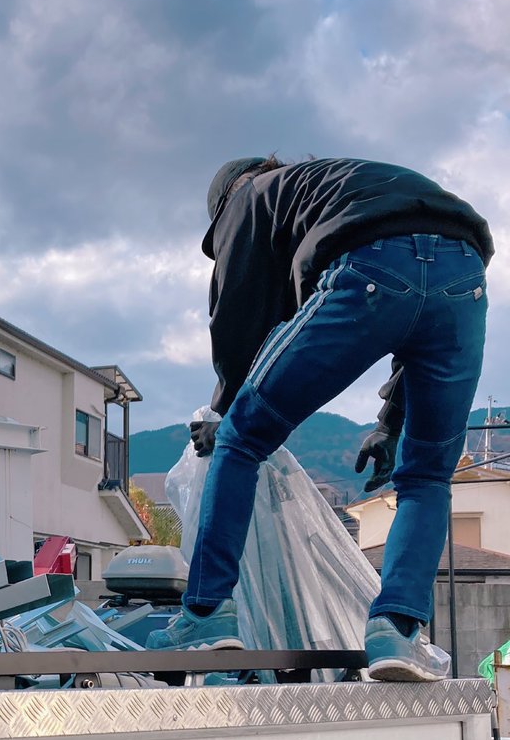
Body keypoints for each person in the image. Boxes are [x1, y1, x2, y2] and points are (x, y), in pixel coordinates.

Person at [147, 156, 493, 680]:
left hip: (372, 263)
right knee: (426, 476)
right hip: (465, 277)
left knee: (241, 440)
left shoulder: (251, 193)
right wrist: (389, 424)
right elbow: (421, 291)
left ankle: (206, 614)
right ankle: (396, 633)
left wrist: (225, 410)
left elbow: (238, 311)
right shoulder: (331, 189)